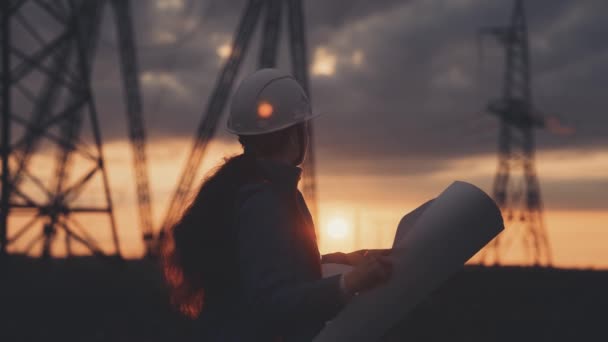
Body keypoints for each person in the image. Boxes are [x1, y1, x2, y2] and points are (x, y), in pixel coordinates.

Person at [162, 69, 393, 341]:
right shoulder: (263, 201)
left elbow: (270, 267)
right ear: (293, 134)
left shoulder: (248, 190)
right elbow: (271, 302)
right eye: (304, 126)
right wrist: (348, 283)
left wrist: (341, 261)